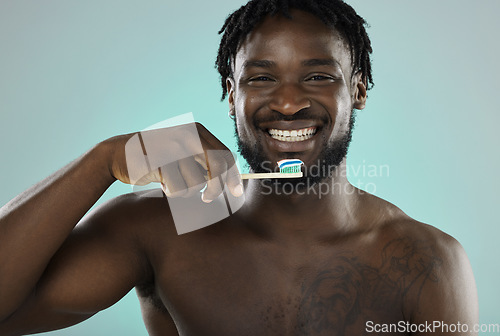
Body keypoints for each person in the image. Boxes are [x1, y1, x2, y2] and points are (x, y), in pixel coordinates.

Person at [0, 0, 478, 335]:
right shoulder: (157, 230)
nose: (289, 102)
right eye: (262, 77)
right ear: (232, 94)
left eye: (318, 76)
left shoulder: (425, 262)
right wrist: (103, 159)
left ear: (358, 90)